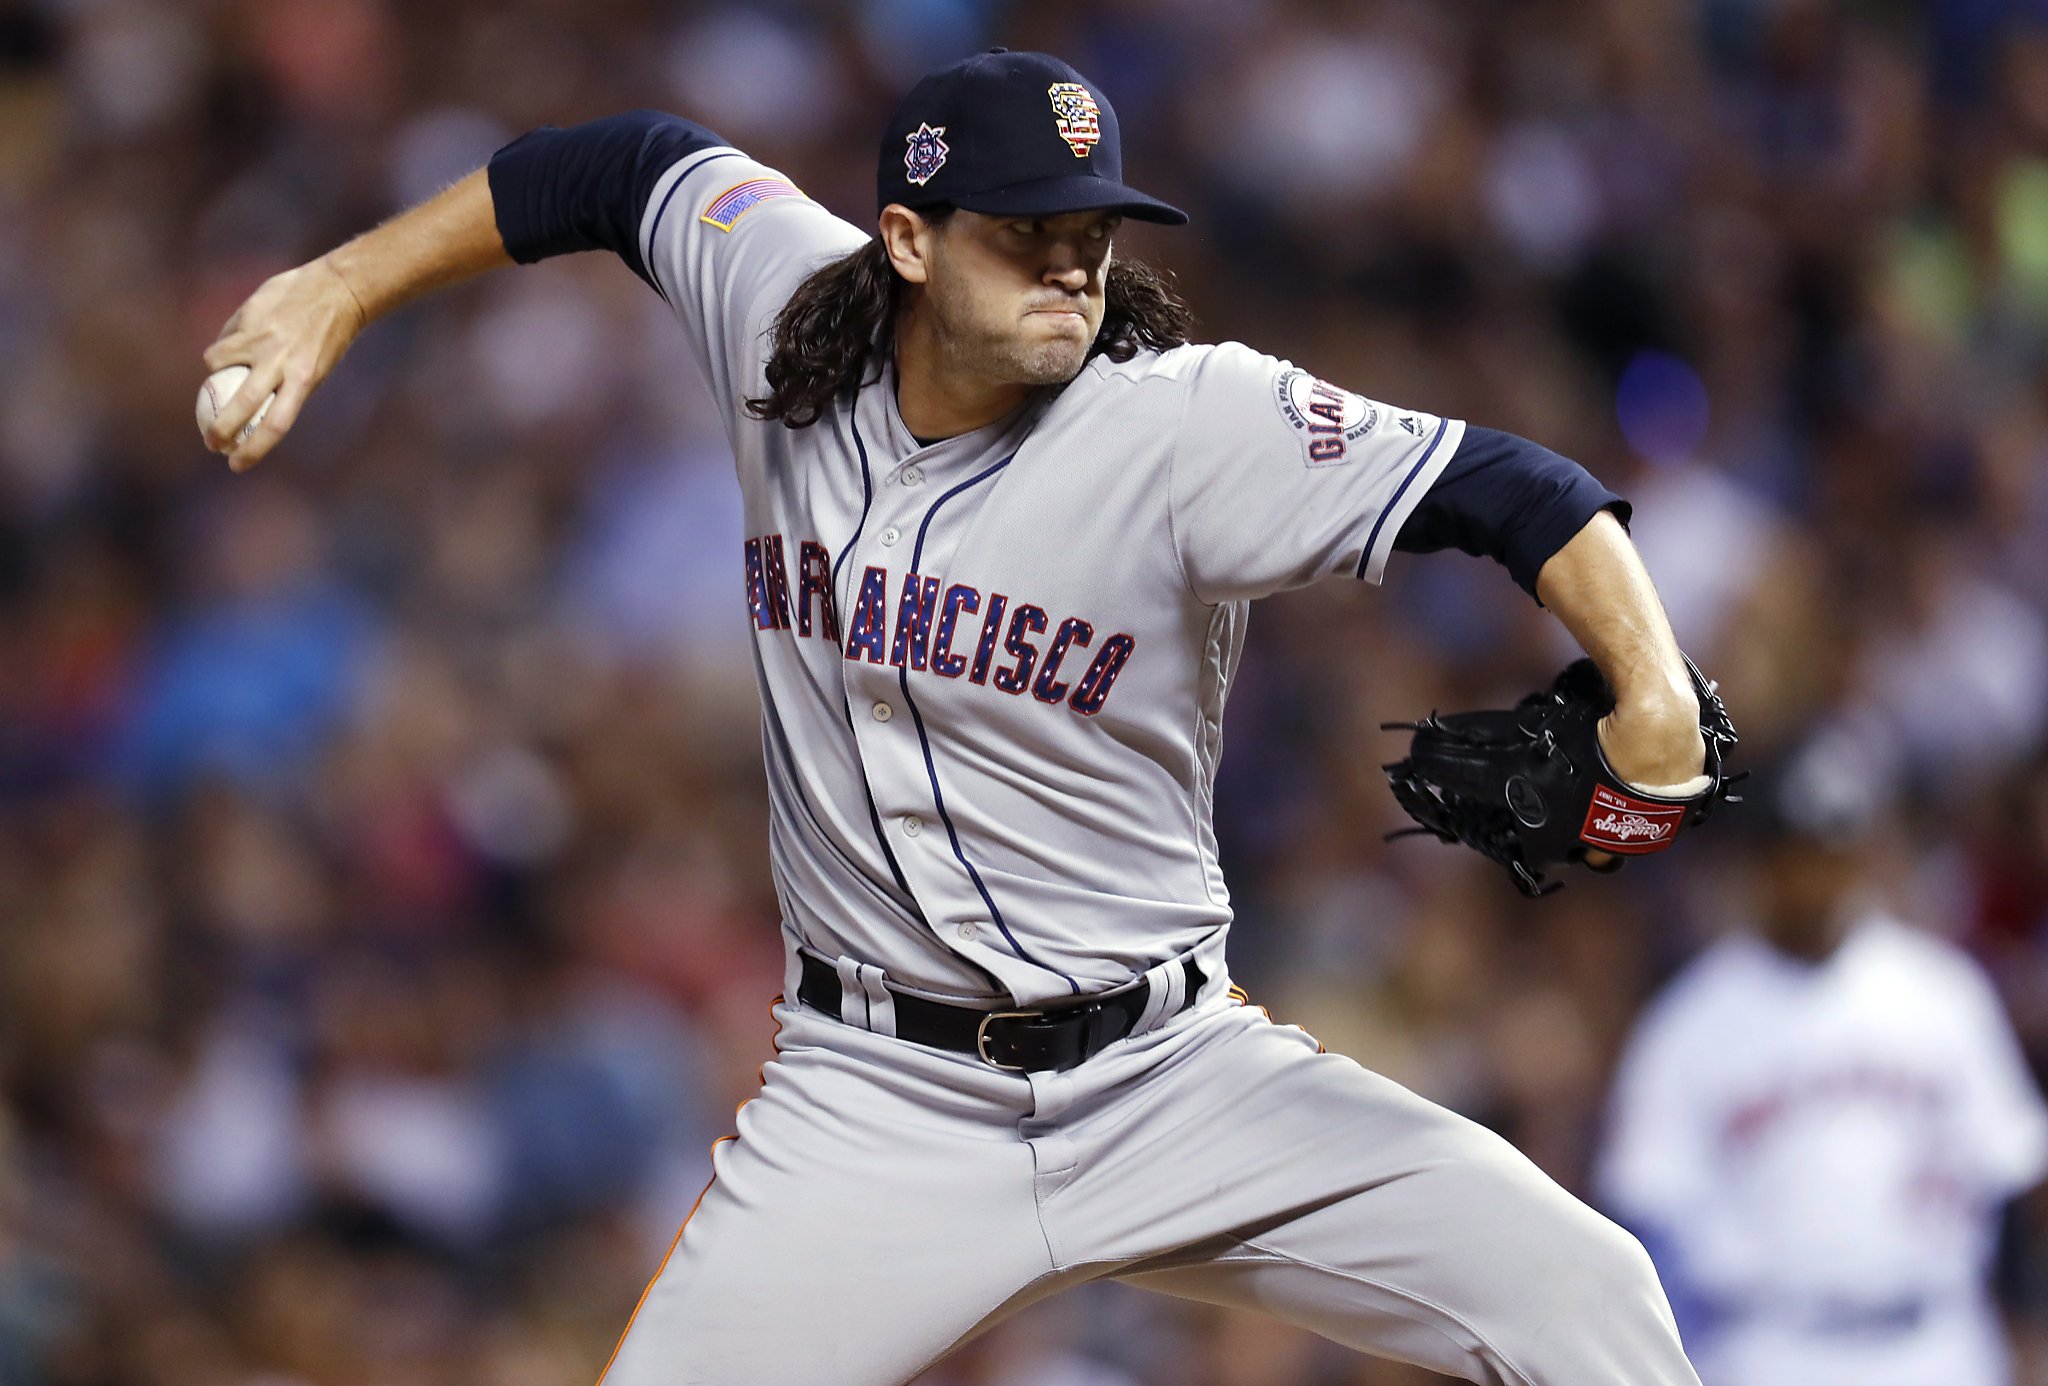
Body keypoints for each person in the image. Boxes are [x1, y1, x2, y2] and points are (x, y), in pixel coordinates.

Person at [202, 47, 1710, 1386]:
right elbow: (620, 165)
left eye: (1091, 233)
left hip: (1172, 1077)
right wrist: (342, 281)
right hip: (878, 1102)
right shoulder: (782, 306)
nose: (1073, 267)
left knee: (1588, 1294)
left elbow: (1523, 493)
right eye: (1026, 235)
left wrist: (1649, 687)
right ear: (909, 241)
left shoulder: (1187, 421)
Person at [1597, 735, 2048, 1385]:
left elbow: (2016, 1175)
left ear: (1864, 854)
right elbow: (1645, 1215)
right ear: (1756, 865)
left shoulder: (1943, 994)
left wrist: (2030, 1330)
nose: (1814, 876)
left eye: (1832, 849)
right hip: (1769, 1348)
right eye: (1794, 853)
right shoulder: (1688, 1024)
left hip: (1937, 1342)